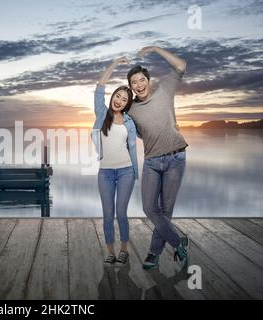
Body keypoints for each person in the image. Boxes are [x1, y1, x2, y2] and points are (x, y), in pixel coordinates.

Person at [126, 46, 189, 270]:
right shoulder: (131, 109)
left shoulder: (164, 88)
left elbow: (181, 65)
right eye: (134, 82)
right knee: (150, 208)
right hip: (152, 161)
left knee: (166, 210)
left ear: (148, 80)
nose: (139, 85)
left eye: (142, 79)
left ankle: (153, 253)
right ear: (131, 87)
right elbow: (136, 132)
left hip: (176, 158)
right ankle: (178, 241)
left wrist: (154, 48)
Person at [92, 57, 139, 266]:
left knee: (121, 212)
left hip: (126, 171)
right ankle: (110, 251)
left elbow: (133, 146)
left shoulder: (129, 122)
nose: (118, 100)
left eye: (123, 99)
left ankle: (123, 250)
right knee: (108, 214)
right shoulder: (102, 114)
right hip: (105, 173)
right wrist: (113, 65)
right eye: (117, 96)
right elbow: (99, 88)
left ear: (127, 104)